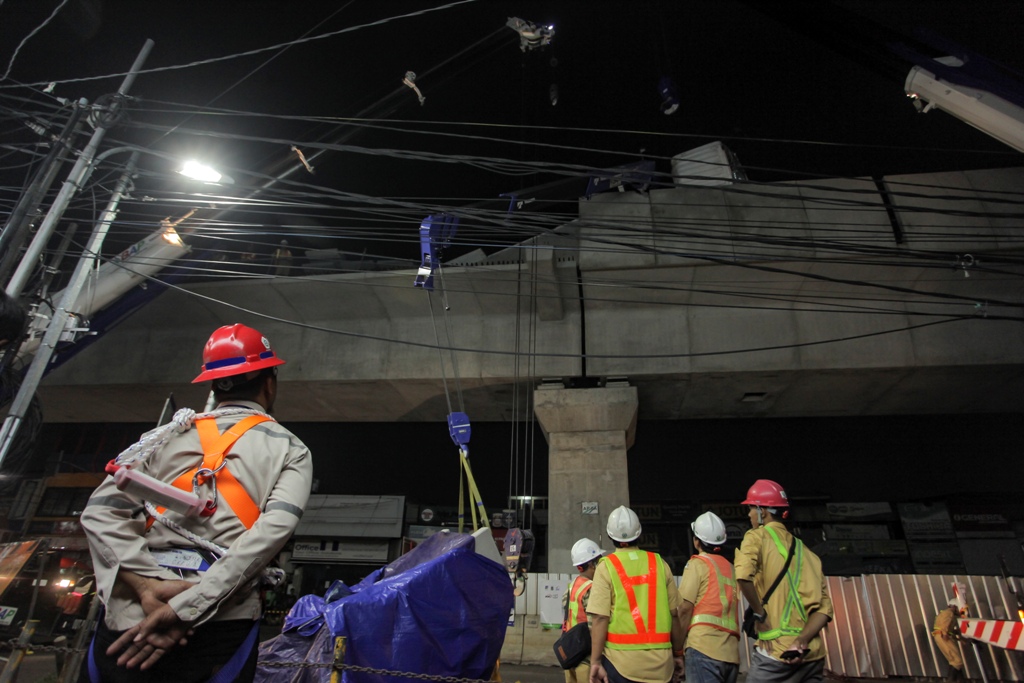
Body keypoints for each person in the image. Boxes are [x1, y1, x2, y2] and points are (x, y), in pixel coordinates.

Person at [79, 323, 313, 683]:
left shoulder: (162, 438)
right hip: (220, 624)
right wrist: (187, 607)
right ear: (270, 382)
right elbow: (270, 535)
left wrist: (147, 589)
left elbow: (99, 512)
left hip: (132, 620)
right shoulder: (291, 450)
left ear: (213, 383)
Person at [734, 479, 833, 683]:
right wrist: (801, 641)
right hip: (811, 655)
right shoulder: (809, 554)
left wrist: (760, 615)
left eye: (752, 508)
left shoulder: (756, 537)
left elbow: (743, 576)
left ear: (763, 512)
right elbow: (824, 609)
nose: (749, 514)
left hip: (775, 652)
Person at [588, 506, 686, 683]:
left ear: (610, 536)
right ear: (639, 533)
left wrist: (595, 661)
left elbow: (600, 619)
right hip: (662, 666)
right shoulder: (659, 563)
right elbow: (675, 615)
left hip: (621, 665)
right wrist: (678, 654)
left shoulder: (606, 567)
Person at [676, 512, 739, 683]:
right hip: (731, 654)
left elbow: (684, 609)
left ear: (697, 541)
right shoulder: (731, 568)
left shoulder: (697, 564)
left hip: (703, 649)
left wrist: (677, 651)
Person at [561, 538, 603, 683]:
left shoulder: (572, 586)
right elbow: (595, 625)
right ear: (592, 564)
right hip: (586, 657)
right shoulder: (592, 588)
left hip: (571, 653)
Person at [932, 601, 964, 681]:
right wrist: (945, 634)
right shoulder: (949, 613)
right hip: (943, 636)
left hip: (941, 636)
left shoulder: (946, 613)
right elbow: (944, 625)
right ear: (955, 606)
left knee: (954, 661)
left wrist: (959, 638)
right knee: (957, 661)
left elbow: (949, 630)